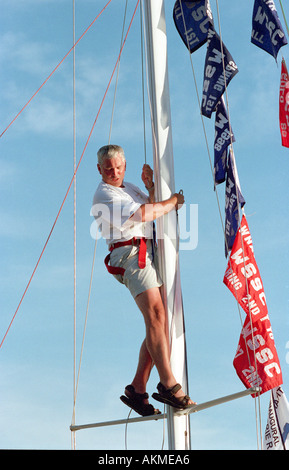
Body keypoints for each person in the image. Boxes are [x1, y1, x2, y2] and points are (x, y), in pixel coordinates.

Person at [92, 144, 195, 416]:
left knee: (161, 321)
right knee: (157, 316)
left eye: (118, 167)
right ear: (100, 170)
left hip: (146, 250)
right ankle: (168, 385)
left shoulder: (131, 188)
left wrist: (150, 188)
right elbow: (142, 215)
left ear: (124, 165)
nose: (114, 172)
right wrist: (173, 201)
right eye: (108, 169)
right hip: (129, 253)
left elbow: (147, 207)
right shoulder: (104, 193)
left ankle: (138, 389)